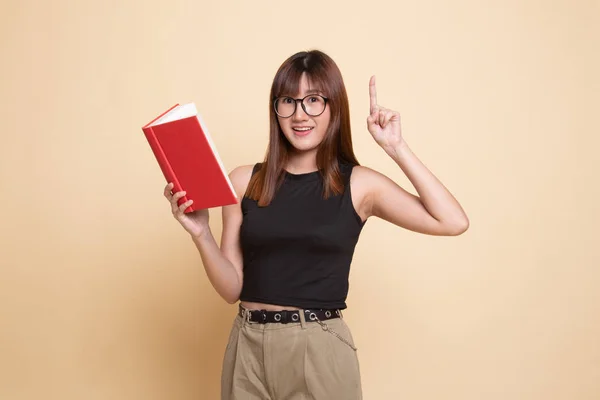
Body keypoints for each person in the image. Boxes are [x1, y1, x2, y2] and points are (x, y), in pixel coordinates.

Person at [162, 50, 469, 399]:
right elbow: (232, 288)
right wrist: (201, 234)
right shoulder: (243, 181)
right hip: (246, 345)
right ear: (274, 109)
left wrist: (396, 147)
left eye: (313, 101)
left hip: (319, 344)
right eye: (288, 101)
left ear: (334, 107)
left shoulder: (360, 185)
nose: (299, 115)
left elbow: (452, 221)